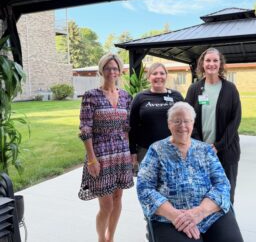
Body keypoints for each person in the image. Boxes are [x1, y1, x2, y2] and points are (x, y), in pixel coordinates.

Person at [137, 102, 243, 242]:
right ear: (169, 124)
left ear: (193, 123)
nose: (182, 126)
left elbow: (222, 184)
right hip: (171, 218)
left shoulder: (205, 150)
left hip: (210, 213)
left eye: (187, 121)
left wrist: (199, 212)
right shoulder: (156, 150)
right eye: (177, 121)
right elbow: (144, 188)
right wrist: (175, 216)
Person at [78, 53, 134, 242]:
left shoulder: (126, 96)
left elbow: (127, 127)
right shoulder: (91, 96)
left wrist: (130, 154)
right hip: (101, 154)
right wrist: (91, 158)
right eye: (108, 68)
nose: (112, 71)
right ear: (102, 70)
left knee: (118, 199)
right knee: (106, 204)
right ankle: (102, 239)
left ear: (120, 71)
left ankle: (111, 237)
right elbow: (85, 128)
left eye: (115, 68)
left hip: (121, 154)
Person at [185, 48, 242, 203]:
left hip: (226, 151)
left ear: (220, 64)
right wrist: (202, 146)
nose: (211, 64)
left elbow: (235, 120)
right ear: (202, 64)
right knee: (202, 193)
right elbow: (187, 118)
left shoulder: (230, 89)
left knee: (226, 193)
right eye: (208, 60)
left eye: (215, 60)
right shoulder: (194, 89)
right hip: (200, 152)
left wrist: (219, 146)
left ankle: (226, 225)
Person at [129, 62, 184, 167]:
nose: (159, 76)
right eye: (155, 73)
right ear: (149, 77)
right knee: (148, 182)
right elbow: (132, 126)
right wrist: (133, 151)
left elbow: (186, 122)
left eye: (162, 73)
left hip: (173, 149)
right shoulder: (140, 97)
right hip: (146, 151)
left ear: (166, 76)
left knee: (172, 182)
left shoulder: (176, 96)